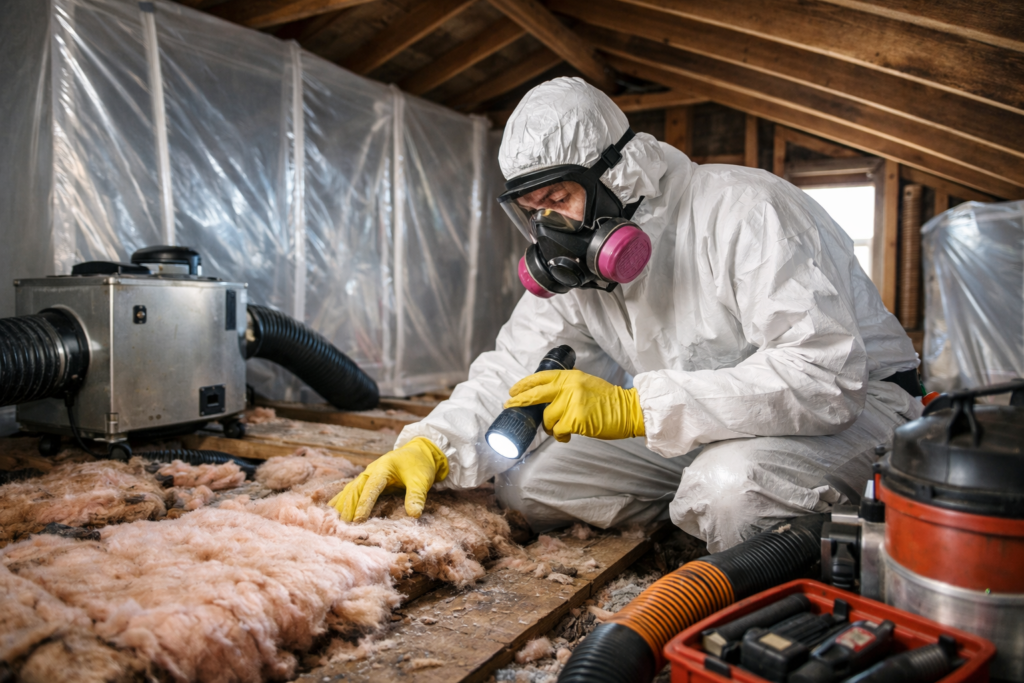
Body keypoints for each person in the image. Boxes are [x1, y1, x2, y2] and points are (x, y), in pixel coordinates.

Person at [330, 77, 921, 552]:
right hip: (702, 428)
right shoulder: (581, 268)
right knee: (531, 485)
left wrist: (634, 406)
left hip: (854, 414)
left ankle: (764, 563)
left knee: (730, 490)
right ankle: (695, 525)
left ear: (618, 173)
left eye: (559, 200)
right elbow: (514, 368)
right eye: (535, 211)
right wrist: (431, 446)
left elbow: (823, 379)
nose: (550, 229)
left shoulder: (746, 209)